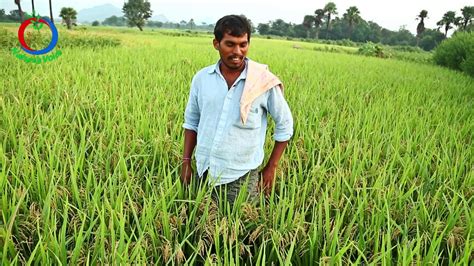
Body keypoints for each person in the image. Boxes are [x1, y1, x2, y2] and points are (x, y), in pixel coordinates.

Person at [181, 14, 293, 204]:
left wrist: (271, 168)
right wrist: (186, 162)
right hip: (204, 169)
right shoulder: (202, 78)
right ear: (216, 44)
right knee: (201, 223)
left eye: (243, 44)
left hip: (241, 175)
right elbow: (192, 122)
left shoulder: (262, 81)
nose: (238, 51)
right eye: (230, 44)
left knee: (238, 227)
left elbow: (285, 125)